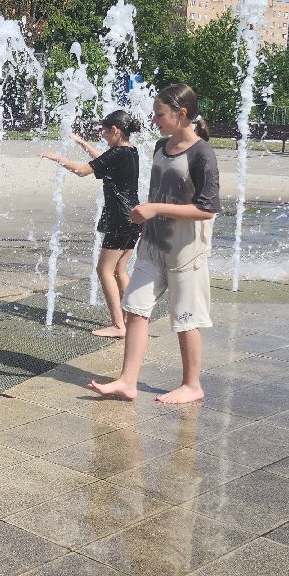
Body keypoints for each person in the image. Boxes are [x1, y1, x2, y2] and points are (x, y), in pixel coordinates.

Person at [89, 83, 221, 407]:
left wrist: (155, 209)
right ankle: (127, 381)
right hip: (153, 244)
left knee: (186, 317)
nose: (154, 121)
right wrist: (147, 216)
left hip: (186, 251)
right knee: (134, 308)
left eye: (160, 114)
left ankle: (192, 385)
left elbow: (207, 208)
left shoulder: (202, 154)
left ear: (182, 114)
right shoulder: (161, 147)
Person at [43, 110, 143, 337]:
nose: (104, 136)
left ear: (115, 130)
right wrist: (83, 144)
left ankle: (118, 325)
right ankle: (131, 319)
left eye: (105, 132)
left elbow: (82, 170)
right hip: (134, 216)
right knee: (119, 270)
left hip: (119, 217)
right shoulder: (130, 151)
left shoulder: (117, 153)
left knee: (104, 269)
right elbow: (102, 161)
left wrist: (57, 158)